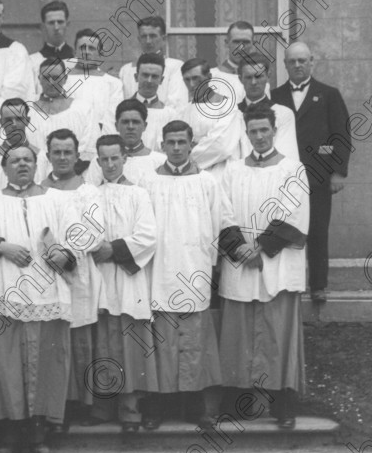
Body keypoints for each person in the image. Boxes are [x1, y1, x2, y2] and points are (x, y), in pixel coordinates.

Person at [0, 144, 82, 453]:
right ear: (4, 167)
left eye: (28, 159)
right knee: (1, 362)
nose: (22, 165)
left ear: (36, 164)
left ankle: (38, 433)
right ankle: (7, 432)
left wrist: (63, 252)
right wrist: (2, 247)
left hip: (46, 291)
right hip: (2, 290)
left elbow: (76, 234)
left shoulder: (56, 199)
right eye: (14, 160)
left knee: (46, 362)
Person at [139, 120, 239, 429]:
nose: (177, 147)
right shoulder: (148, 182)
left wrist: (210, 265)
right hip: (160, 272)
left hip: (194, 270)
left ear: (191, 144)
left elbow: (221, 222)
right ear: (163, 145)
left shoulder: (207, 182)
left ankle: (196, 407)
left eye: (182, 142)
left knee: (194, 343)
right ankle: (158, 407)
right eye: (171, 142)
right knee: (162, 343)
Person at [218, 107, 309, 429]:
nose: (259, 136)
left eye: (264, 130)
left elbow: (294, 214)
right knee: (238, 336)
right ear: (246, 132)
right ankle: (238, 403)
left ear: (274, 130)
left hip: (277, 263)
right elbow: (223, 212)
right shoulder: (232, 170)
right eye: (253, 131)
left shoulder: (291, 169)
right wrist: (241, 249)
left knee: (276, 335)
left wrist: (262, 249)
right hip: (241, 262)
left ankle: (282, 404)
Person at [271, 42, 350, 303]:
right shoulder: (274, 96)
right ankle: (283, 284)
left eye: (302, 60)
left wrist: (338, 172)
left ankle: (318, 285)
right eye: (292, 61)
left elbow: (341, 135)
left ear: (311, 62)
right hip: (283, 179)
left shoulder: (328, 94)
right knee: (283, 229)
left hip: (317, 177)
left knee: (317, 231)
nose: (297, 65)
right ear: (285, 65)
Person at [92, 135, 157, 432]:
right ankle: (104, 407)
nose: (109, 164)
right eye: (103, 159)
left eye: (114, 158)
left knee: (129, 342)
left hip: (128, 276)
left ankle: (131, 410)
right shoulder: (90, 195)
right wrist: (95, 247)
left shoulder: (139, 195)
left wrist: (113, 249)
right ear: (97, 161)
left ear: (124, 158)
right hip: (102, 277)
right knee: (105, 342)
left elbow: (147, 237)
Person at [40, 130, 105, 429]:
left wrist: (67, 254)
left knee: (79, 338)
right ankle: (56, 406)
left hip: (77, 270)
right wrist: (49, 253)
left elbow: (94, 230)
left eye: (68, 152)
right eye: (57, 152)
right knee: (54, 338)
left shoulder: (88, 191)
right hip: (46, 271)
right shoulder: (39, 191)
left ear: (78, 155)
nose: (63, 157)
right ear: (48, 155)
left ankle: (83, 405)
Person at [179, 58, 241, 180]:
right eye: (187, 79)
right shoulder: (184, 112)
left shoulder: (227, 106)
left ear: (209, 77)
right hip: (191, 175)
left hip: (220, 174)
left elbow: (222, 146)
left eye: (196, 78)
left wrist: (187, 158)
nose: (191, 85)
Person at [28, 58, 97, 164]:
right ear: (39, 79)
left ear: (65, 79)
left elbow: (89, 149)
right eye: (46, 78)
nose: (51, 83)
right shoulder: (28, 112)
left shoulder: (83, 109)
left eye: (55, 78)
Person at [236, 53, 298, 161]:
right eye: (248, 77)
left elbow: (286, 155)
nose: (253, 82)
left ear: (268, 75)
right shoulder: (233, 113)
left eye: (258, 76)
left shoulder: (283, 113)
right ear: (240, 79)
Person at [118, 16, 187, 111]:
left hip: (163, 119)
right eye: (144, 36)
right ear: (139, 39)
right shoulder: (126, 70)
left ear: (163, 39)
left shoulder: (175, 66)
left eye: (153, 36)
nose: (148, 41)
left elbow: (177, 103)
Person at [0, 98, 41, 192]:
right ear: (1, 122)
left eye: (19, 119)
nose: (14, 124)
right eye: (8, 120)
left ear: (27, 121)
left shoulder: (42, 157)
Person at [66, 28, 121, 134]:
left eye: (91, 48)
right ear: (75, 51)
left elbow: (112, 119)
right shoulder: (63, 81)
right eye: (82, 48)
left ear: (100, 53)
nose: (86, 52)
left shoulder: (113, 84)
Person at [210, 21, 269, 104]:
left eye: (246, 42)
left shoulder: (260, 79)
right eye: (236, 42)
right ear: (226, 43)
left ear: (253, 44)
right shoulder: (212, 77)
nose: (241, 47)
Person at [130, 52, 177, 150]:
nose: (149, 81)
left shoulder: (171, 115)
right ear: (136, 77)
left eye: (154, 76)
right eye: (145, 75)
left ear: (161, 80)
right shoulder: (118, 111)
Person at [29, 0, 74, 92]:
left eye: (60, 22)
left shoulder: (77, 61)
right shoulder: (32, 62)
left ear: (67, 25)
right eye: (51, 23)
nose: (56, 27)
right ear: (43, 26)